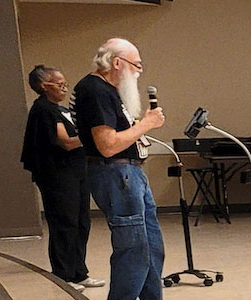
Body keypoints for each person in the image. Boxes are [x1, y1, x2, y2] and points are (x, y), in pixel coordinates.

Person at [73, 38, 167, 300]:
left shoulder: (109, 91)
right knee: (134, 249)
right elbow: (107, 145)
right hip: (116, 173)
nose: (139, 71)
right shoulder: (94, 90)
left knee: (152, 247)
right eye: (136, 65)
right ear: (117, 63)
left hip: (130, 173)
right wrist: (146, 124)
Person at [21, 65, 104, 289]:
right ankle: (62, 274)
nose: (64, 86)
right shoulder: (43, 109)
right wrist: (92, 137)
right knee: (64, 223)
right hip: (57, 176)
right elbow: (66, 142)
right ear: (43, 86)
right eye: (58, 83)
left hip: (77, 171)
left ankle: (79, 272)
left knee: (81, 222)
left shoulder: (61, 109)